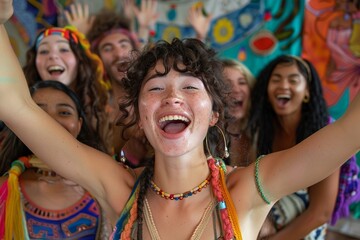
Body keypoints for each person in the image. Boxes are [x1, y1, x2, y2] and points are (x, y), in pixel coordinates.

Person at [1, 3, 360, 239]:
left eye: (190, 86)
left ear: (214, 114)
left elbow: (350, 130)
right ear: (140, 118)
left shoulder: (247, 189)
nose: (172, 97)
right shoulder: (120, 190)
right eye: (155, 88)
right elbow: (15, 105)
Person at [248, 55, 358, 239]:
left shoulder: (323, 133)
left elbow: (320, 212)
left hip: (306, 228)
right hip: (270, 220)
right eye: (276, 80)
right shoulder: (261, 132)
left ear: (307, 92)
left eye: (293, 80)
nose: (283, 85)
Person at [0, 80, 110, 239]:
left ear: (78, 125)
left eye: (64, 112)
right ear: (20, 124)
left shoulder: (106, 185)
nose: (50, 120)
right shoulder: (5, 190)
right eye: (38, 111)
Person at [65, 2, 158, 165]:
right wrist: (126, 155)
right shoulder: (96, 106)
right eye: (108, 48)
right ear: (98, 59)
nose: (119, 53)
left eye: (124, 44)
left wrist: (142, 28)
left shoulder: (156, 93)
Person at [22, 25, 111, 153]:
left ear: (79, 60)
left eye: (63, 49)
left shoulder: (105, 114)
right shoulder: (21, 107)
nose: (53, 56)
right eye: (43, 51)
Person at [221, 59, 255, 167]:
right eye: (227, 84)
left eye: (242, 82)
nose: (236, 89)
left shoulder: (265, 130)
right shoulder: (206, 137)